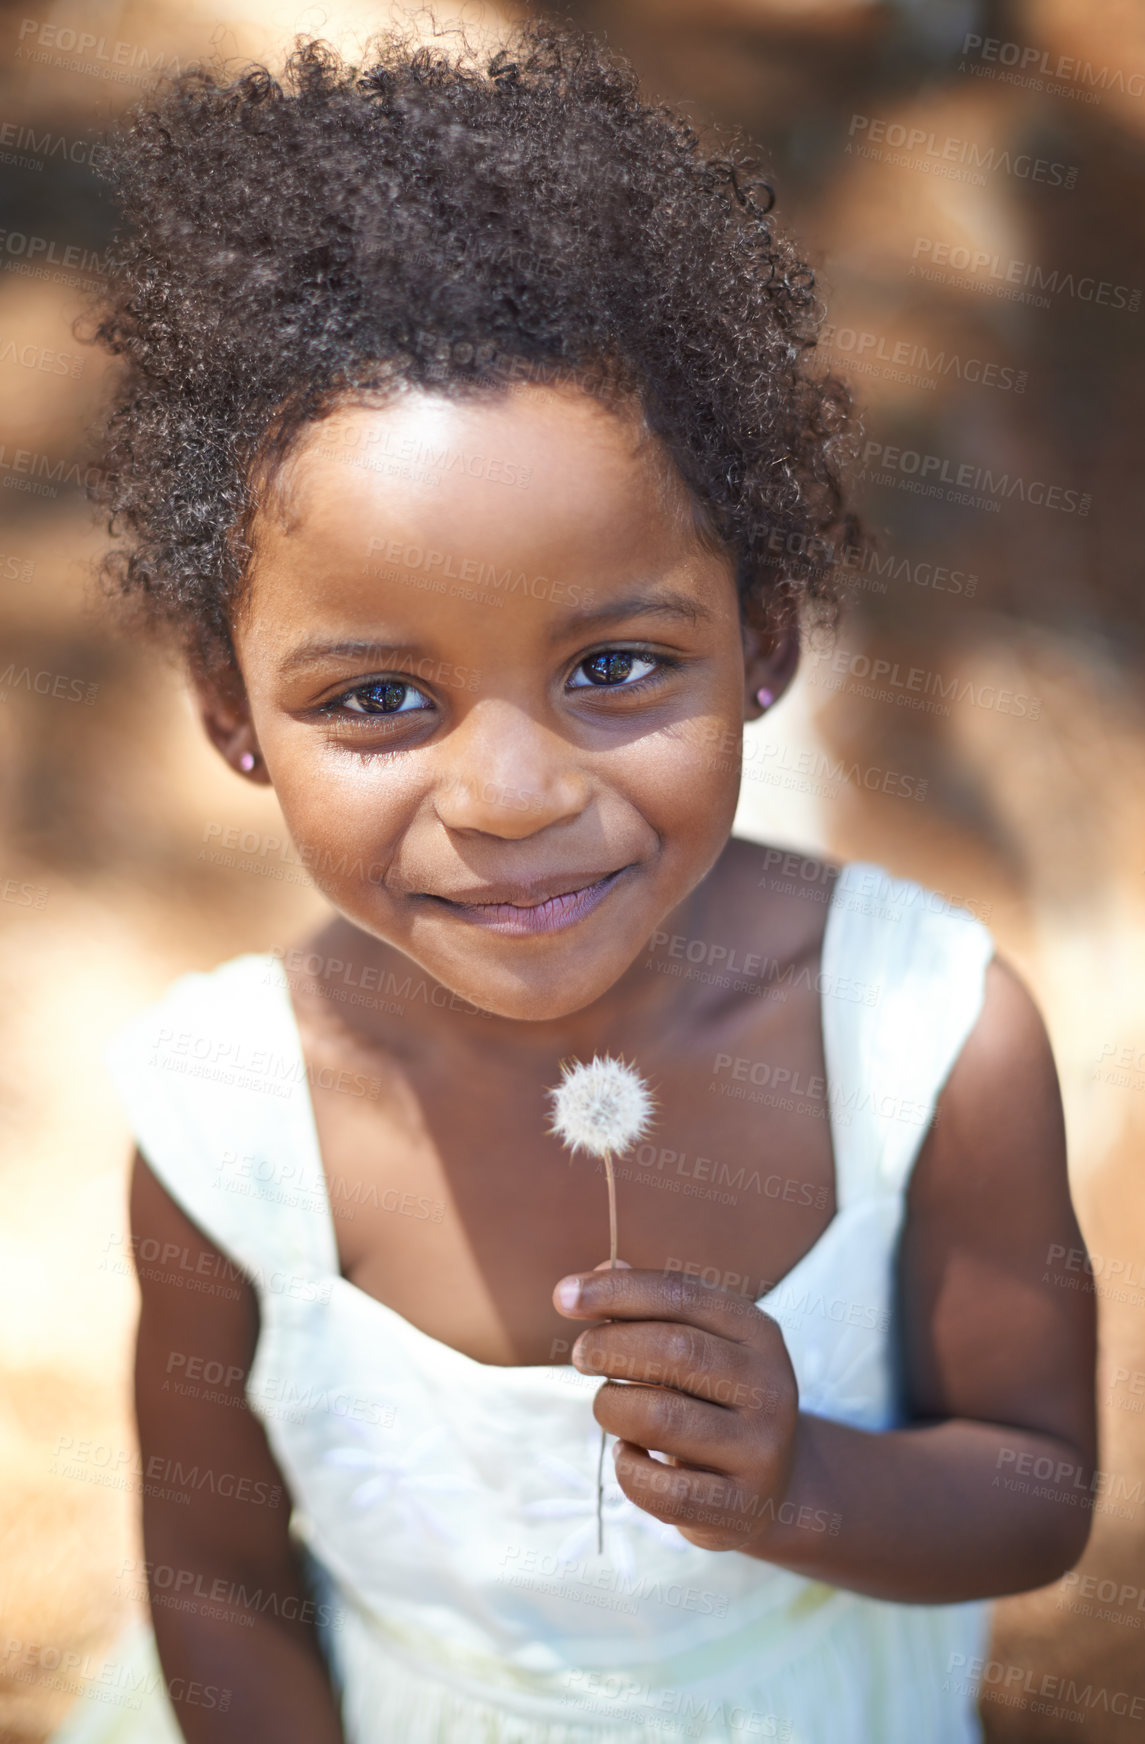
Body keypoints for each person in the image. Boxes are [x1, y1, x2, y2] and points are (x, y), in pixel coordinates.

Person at [54, 16, 1095, 1742]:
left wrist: (801, 1485)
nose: (517, 795)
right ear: (233, 717)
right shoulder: (228, 1120)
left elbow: (1038, 1491)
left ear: (761, 638)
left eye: (615, 666)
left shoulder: (928, 1040)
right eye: (377, 699)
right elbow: (220, 1592)